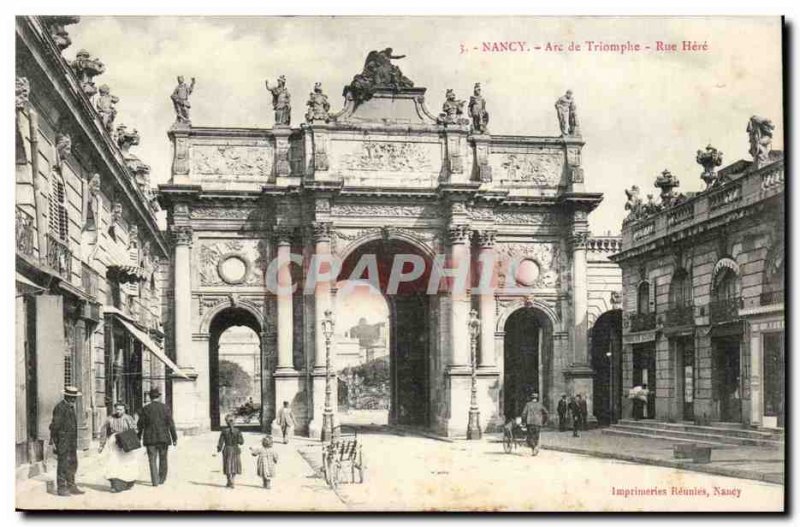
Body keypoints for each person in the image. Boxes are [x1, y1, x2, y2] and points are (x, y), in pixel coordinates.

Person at [137, 386, 177, 487]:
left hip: (150, 438)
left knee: (152, 459)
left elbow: (140, 424)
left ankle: (155, 481)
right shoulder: (165, 408)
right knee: (163, 458)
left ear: (150, 398)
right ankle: (161, 479)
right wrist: (174, 438)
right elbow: (171, 423)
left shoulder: (145, 409)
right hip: (163, 438)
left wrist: (139, 435)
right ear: (158, 397)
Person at [48, 386, 84, 497]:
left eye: (75, 398)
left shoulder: (70, 407)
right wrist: (54, 442)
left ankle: (71, 485)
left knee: (73, 463)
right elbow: (54, 426)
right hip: (62, 441)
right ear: (66, 396)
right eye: (71, 397)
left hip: (71, 441)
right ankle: (61, 488)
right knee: (63, 464)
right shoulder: (60, 407)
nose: (73, 400)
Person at [98, 402, 139, 493]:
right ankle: (115, 485)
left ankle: (128, 482)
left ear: (124, 410)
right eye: (117, 409)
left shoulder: (128, 418)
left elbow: (135, 430)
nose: (119, 411)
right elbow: (103, 431)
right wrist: (102, 444)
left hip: (125, 442)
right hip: (114, 442)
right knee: (114, 462)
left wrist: (131, 437)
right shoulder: (109, 419)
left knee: (127, 463)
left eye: (121, 409)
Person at [216, 414, 244, 488]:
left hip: (227, 449)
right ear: (234, 422)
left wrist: (219, 448)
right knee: (235, 465)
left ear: (226, 422)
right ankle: (233, 480)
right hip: (235, 449)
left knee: (227, 465)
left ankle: (229, 480)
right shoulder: (237, 431)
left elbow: (220, 442)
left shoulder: (224, 431)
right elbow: (241, 442)